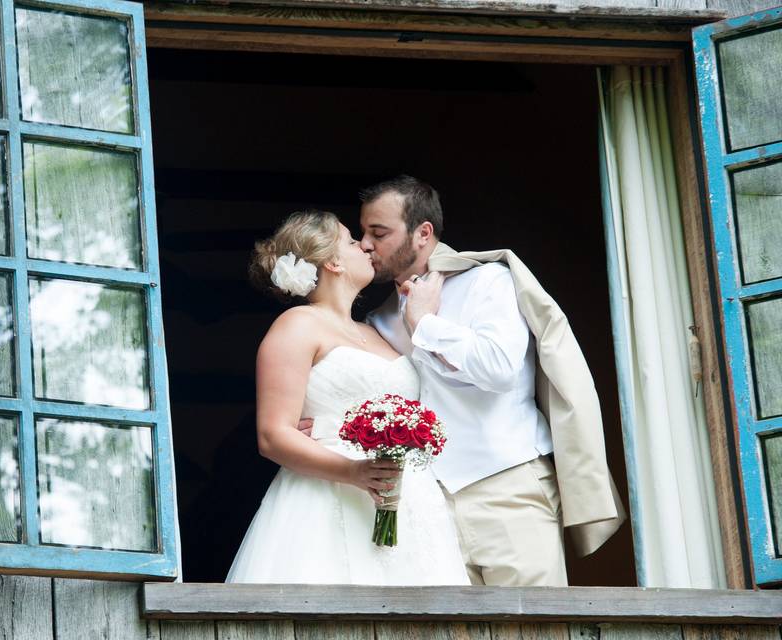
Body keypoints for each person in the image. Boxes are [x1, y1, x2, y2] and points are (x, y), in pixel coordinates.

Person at [353, 175, 624, 587]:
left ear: (423, 233)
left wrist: (425, 324)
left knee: (536, 629)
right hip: (429, 504)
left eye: (379, 232)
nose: (367, 244)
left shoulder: (489, 281)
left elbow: (498, 369)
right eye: (363, 233)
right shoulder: (380, 321)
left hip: (509, 488)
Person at [225, 209, 470, 585]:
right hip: (327, 495)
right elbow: (273, 434)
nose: (365, 246)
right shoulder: (297, 325)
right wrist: (355, 472)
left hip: (409, 499)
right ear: (333, 261)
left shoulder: (377, 331)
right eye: (352, 241)